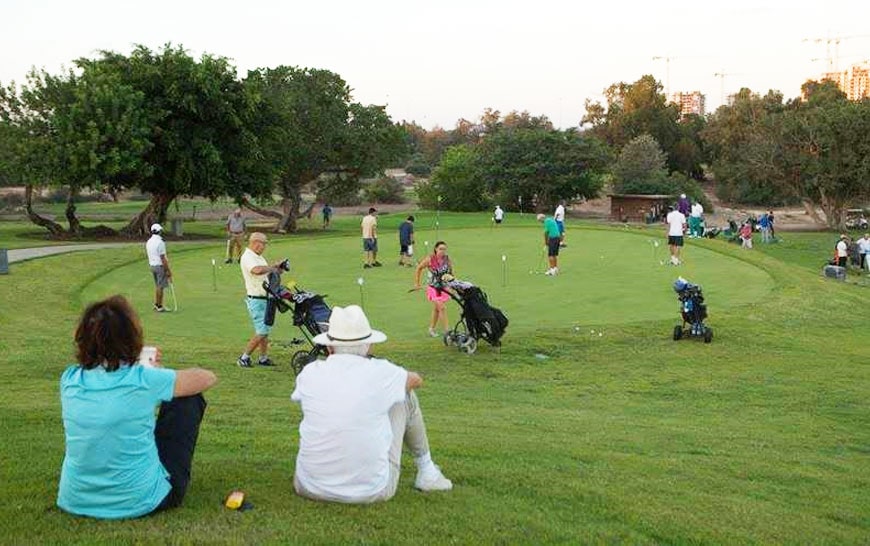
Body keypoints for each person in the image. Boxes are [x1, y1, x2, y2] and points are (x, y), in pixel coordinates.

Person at [57, 295, 217, 519]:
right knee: (187, 398)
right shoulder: (143, 379)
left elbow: (110, 373)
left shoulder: (70, 379)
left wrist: (141, 363)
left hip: (74, 498)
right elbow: (206, 378)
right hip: (141, 500)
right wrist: (154, 370)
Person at [291, 304, 452, 503]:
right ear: (369, 345)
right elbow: (416, 380)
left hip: (308, 486)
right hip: (371, 490)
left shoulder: (310, 372)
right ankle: (427, 471)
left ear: (329, 347)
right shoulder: (382, 372)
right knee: (404, 395)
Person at [238, 232, 287, 368]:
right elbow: (257, 270)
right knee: (262, 331)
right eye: (263, 244)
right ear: (255, 242)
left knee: (265, 330)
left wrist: (277, 269)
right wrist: (272, 267)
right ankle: (244, 358)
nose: (264, 247)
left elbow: (265, 272)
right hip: (256, 299)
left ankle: (263, 358)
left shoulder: (258, 257)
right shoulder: (248, 257)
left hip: (265, 297)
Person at [414, 241, 454, 337]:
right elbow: (418, 268)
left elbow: (451, 273)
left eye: (444, 249)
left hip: (443, 287)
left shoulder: (447, 259)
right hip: (433, 288)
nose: (442, 251)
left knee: (437, 309)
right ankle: (447, 331)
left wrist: (452, 284)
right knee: (442, 308)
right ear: (436, 249)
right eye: (440, 249)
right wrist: (417, 283)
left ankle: (431, 329)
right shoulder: (430, 259)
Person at [145, 223, 172, 312]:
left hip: (152, 266)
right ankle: (159, 306)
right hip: (159, 266)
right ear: (159, 231)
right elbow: (163, 258)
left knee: (158, 286)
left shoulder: (149, 241)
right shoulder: (160, 242)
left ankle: (157, 304)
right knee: (160, 286)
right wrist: (168, 270)